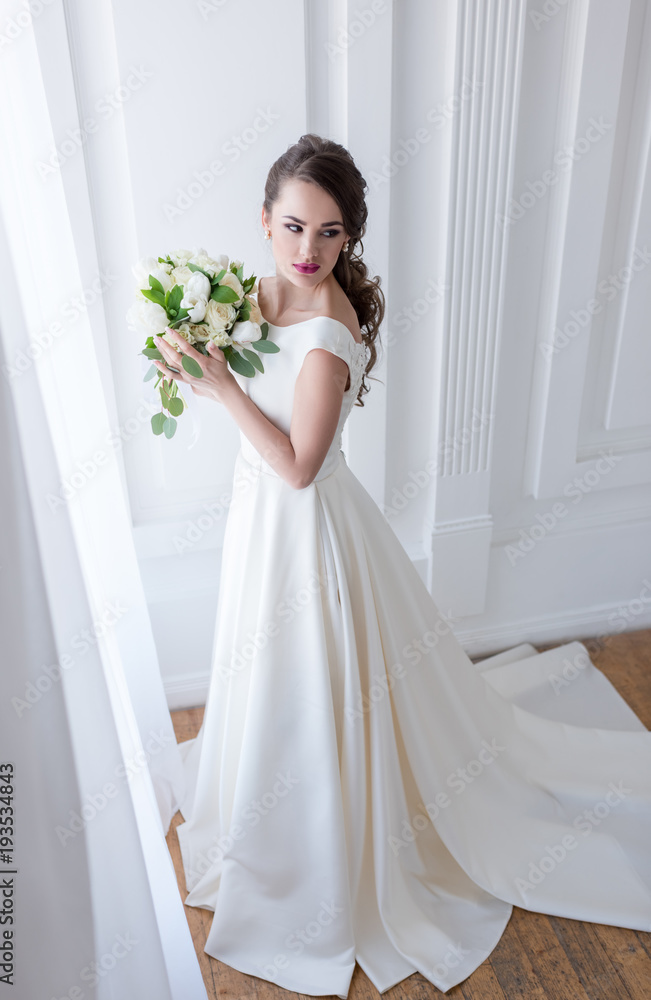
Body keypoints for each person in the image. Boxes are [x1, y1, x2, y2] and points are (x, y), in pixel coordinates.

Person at [152, 134, 651, 998]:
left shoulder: (326, 336)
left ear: (349, 237)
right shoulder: (243, 296)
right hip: (258, 524)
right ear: (264, 222)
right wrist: (189, 360)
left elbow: (298, 467)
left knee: (315, 682)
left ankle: (318, 853)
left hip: (309, 533)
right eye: (293, 227)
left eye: (330, 233)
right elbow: (238, 381)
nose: (308, 251)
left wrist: (223, 389)